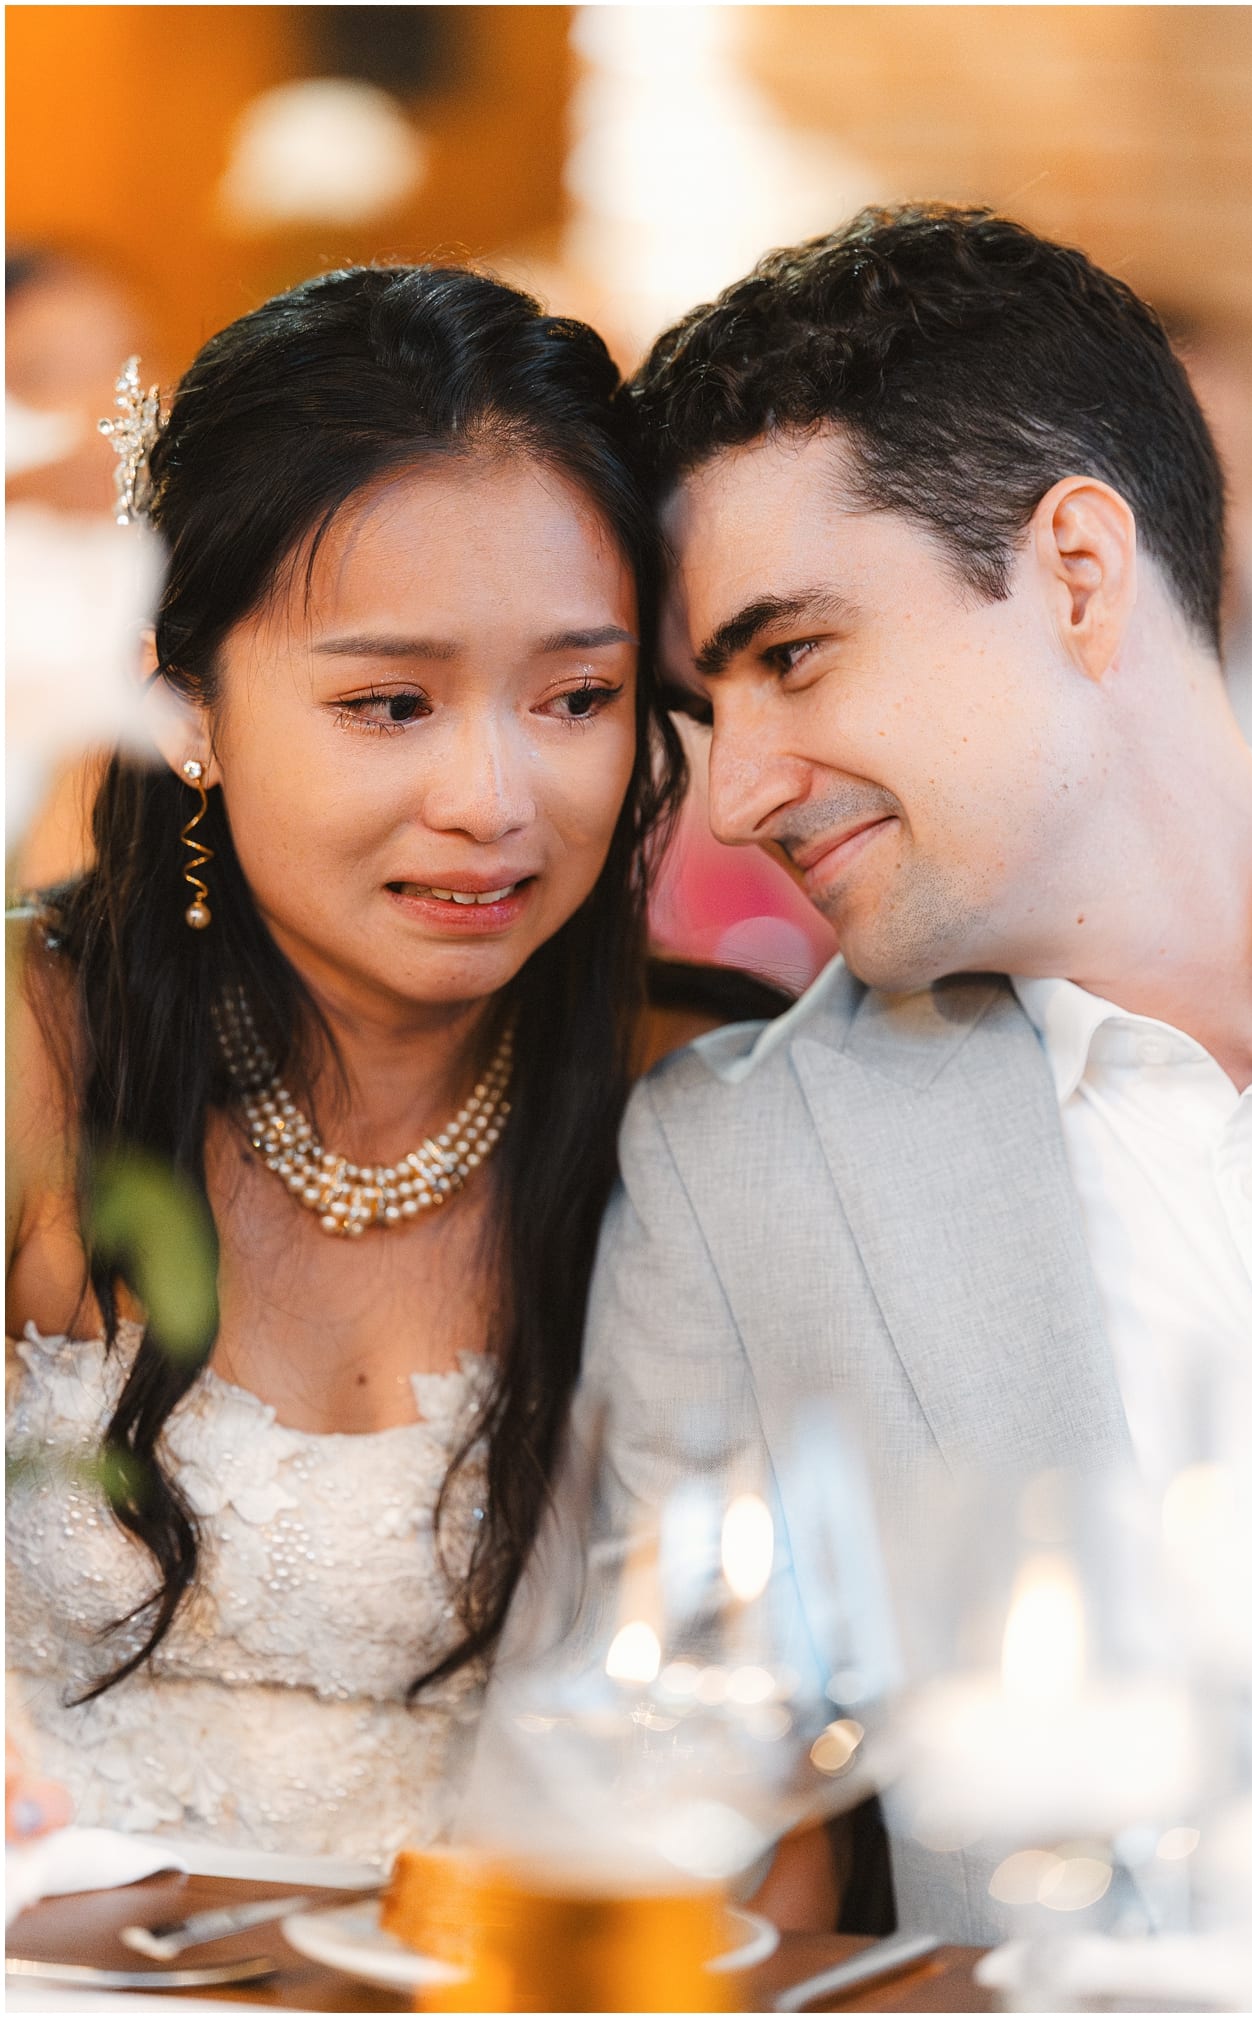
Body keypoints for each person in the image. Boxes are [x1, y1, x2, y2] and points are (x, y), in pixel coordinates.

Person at [553, 204, 1252, 1939]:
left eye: (791, 654)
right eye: (706, 711)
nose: (742, 788)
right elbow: (631, 1812)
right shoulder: (743, 1171)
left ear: (1072, 570)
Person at [6, 262, 788, 1862]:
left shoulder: (716, 1099)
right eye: (390, 702)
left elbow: (770, 1761)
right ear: (185, 700)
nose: (493, 797)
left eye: (576, 695)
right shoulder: (34, 1050)